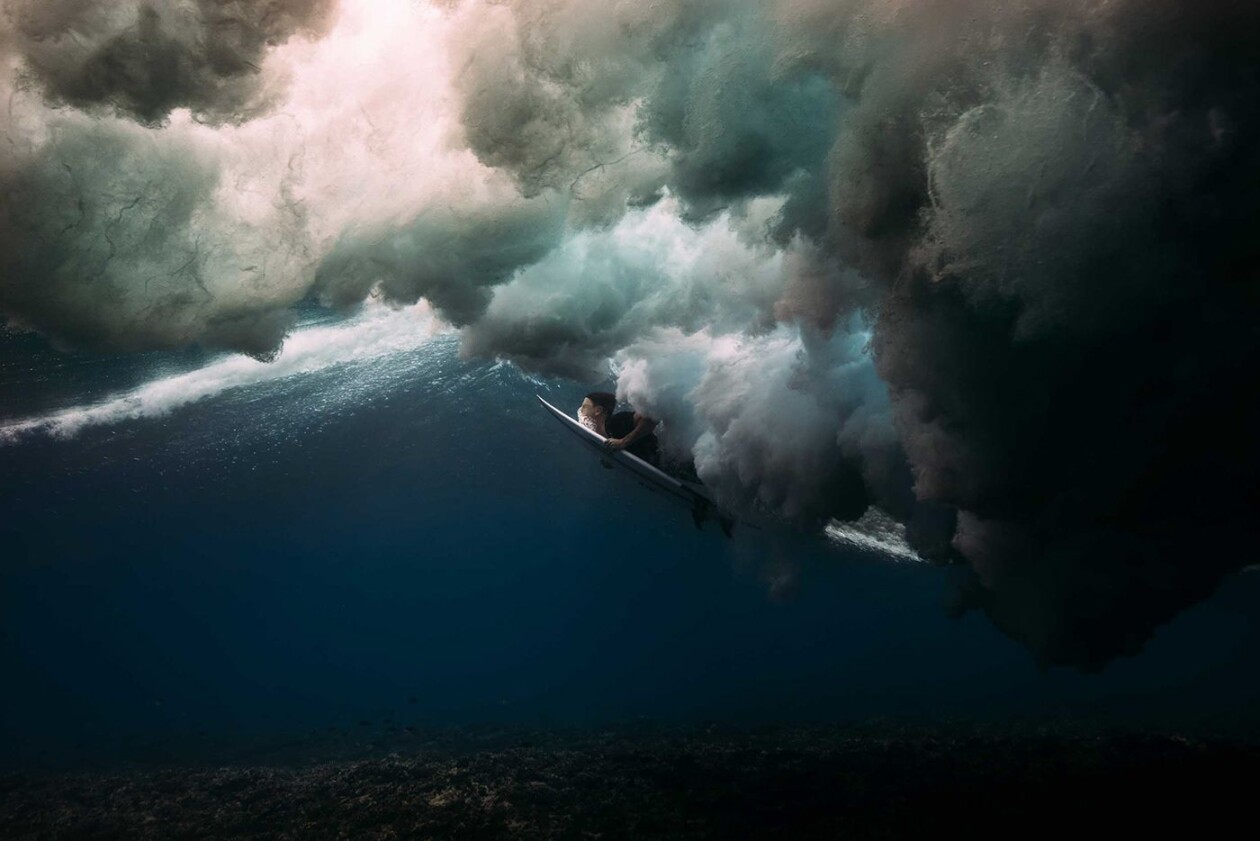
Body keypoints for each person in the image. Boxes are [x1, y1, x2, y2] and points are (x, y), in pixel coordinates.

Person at [578, 391, 659, 464]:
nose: (580, 410)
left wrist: (623, 442)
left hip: (661, 458)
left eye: (584, 407)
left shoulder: (616, 422)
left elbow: (651, 415)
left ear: (598, 411)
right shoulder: (601, 434)